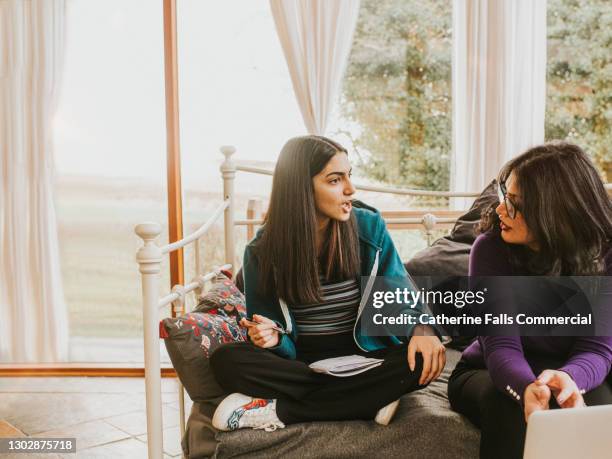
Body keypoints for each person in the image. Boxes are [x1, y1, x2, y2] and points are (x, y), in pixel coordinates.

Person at [210, 135, 446, 432]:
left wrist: (422, 330)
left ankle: (282, 410)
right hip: (303, 362)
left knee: (422, 358)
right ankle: (369, 397)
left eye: (349, 176)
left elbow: (400, 299)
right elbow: (275, 335)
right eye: (335, 180)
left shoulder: (369, 227)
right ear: (300, 188)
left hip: (368, 355)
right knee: (227, 361)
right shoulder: (261, 252)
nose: (350, 189)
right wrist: (273, 338)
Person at [447, 142, 612, 458]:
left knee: (595, 411)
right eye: (504, 197)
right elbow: (500, 346)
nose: (500, 210)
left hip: (571, 368)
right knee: (509, 409)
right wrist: (528, 389)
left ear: (555, 211)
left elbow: (597, 348)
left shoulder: (606, 254)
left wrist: (569, 380)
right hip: (490, 369)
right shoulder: (491, 249)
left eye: (515, 204)